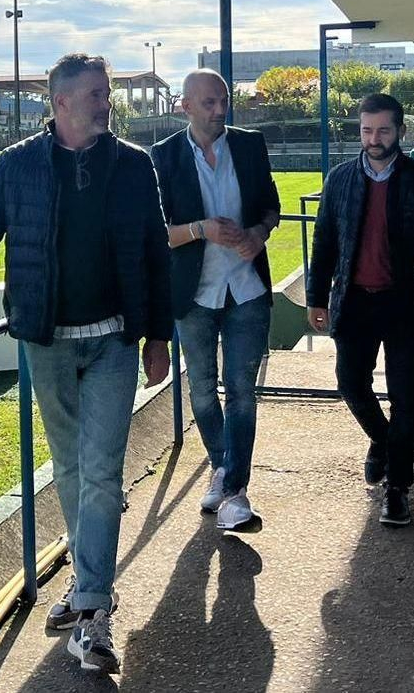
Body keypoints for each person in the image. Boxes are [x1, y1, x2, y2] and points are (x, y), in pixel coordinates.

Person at [0, 53, 171, 673]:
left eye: (106, 91)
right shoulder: (17, 166)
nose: (105, 101)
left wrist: (158, 336)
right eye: (94, 93)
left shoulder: (134, 166)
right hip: (47, 342)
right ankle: (86, 583)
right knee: (69, 468)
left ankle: (93, 610)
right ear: (59, 103)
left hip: (114, 341)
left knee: (103, 469)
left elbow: (154, 254)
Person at [152, 68, 281, 531]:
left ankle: (233, 491)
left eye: (223, 100)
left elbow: (271, 205)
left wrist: (258, 234)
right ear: (184, 107)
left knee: (242, 392)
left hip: (246, 289)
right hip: (194, 295)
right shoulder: (162, 157)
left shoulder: (249, 144)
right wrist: (202, 230)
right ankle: (222, 465)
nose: (219, 110)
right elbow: (155, 235)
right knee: (203, 392)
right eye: (208, 103)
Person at [306, 93, 414, 528]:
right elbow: (323, 244)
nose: (373, 139)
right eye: (366, 130)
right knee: (351, 385)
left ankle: (397, 487)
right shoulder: (340, 178)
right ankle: (382, 440)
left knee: (406, 396)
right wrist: (316, 297)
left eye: (382, 130)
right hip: (354, 301)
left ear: (398, 130)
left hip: (403, 304)